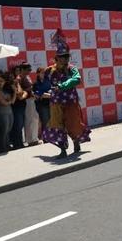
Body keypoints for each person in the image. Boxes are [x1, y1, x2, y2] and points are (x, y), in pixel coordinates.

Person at [42, 29, 91, 159]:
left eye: (67, 56)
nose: (65, 59)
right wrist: (40, 92)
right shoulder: (49, 71)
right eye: (62, 57)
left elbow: (77, 79)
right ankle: (63, 150)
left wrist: (62, 86)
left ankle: (76, 141)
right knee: (57, 126)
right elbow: (43, 85)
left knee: (73, 124)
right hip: (56, 103)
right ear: (56, 58)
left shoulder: (72, 69)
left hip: (70, 102)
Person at [0, 71, 16, 154]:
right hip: (0, 113)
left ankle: (6, 146)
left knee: (8, 130)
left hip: (9, 111)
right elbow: (3, 102)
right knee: (3, 131)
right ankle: (2, 148)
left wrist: (15, 92)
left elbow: (13, 100)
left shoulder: (6, 89)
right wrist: (10, 101)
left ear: (4, 81)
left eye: (1, 81)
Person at [33, 67, 52, 135]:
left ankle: (51, 135)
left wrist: (48, 93)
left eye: (44, 73)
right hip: (42, 105)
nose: (44, 74)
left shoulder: (48, 81)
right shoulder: (36, 83)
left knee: (51, 120)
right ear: (38, 74)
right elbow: (38, 94)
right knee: (45, 120)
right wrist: (50, 95)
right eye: (42, 73)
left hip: (50, 103)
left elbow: (51, 89)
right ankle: (46, 137)